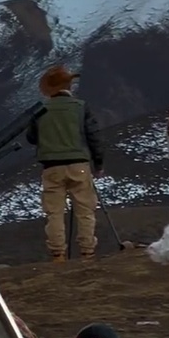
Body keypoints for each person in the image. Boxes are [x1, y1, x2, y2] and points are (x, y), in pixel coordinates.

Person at [26, 66, 104, 263]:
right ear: (69, 85)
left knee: (54, 213)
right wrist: (99, 163)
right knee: (85, 211)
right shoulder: (80, 107)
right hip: (79, 164)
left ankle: (57, 254)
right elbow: (93, 136)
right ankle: (87, 252)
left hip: (51, 167)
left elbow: (31, 138)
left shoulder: (40, 110)